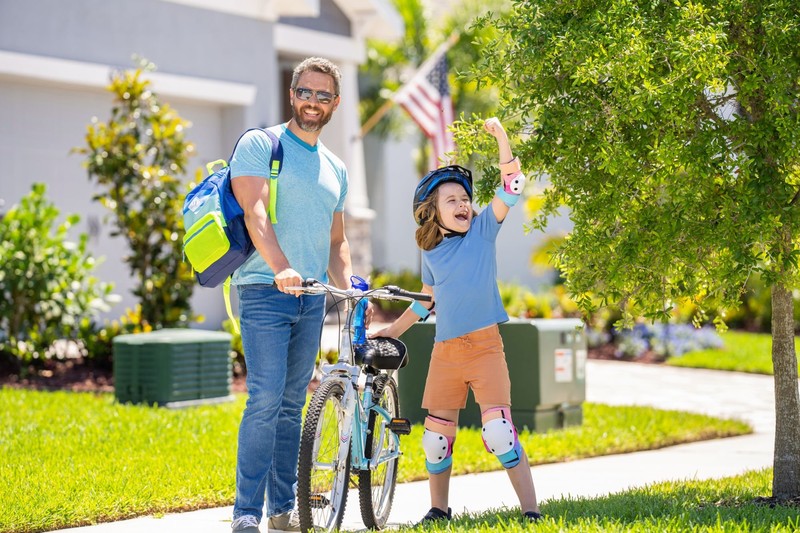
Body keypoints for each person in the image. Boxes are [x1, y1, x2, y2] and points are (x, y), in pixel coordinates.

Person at [371, 117, 542, 524]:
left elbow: (512, 186)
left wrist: (501, 138)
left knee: (499, 432)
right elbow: (426, 304)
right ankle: (438, 510)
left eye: (465, 198)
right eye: (451, 200)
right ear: (432, 213)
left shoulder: (483, 230)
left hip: (485, 348)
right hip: (445, 353)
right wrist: (391, 333)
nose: (463, 203)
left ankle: (532, 512)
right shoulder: (431, 256)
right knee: (435, 440)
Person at [228, 57, 367, 533]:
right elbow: (255, 214)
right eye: (305, 92)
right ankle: (246, 512)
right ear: (292, 94)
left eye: (323, 95)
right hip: (265, 290)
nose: (313, 102)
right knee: (265, 398)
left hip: (311, 299)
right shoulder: (260, 145)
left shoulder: (335, 168)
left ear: (336, 104)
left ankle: (282, 510)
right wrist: (281, 267)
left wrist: (348, 291)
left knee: (293, 405)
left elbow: (336, 241)